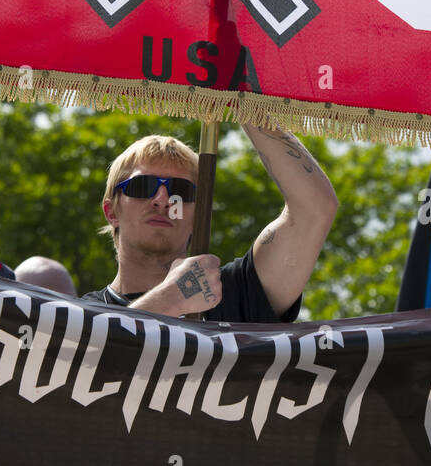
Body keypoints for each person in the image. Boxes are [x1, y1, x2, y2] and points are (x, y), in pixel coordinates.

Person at [82, 125, 337, 324]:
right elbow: (88, 363)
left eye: (180, 191)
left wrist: (243, 98)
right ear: (111, 211)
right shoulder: (76, 317)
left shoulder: (237, 294)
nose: (162, 200)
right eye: (143, 186)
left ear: (197, 214)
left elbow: (313, 209)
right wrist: (171, 299)